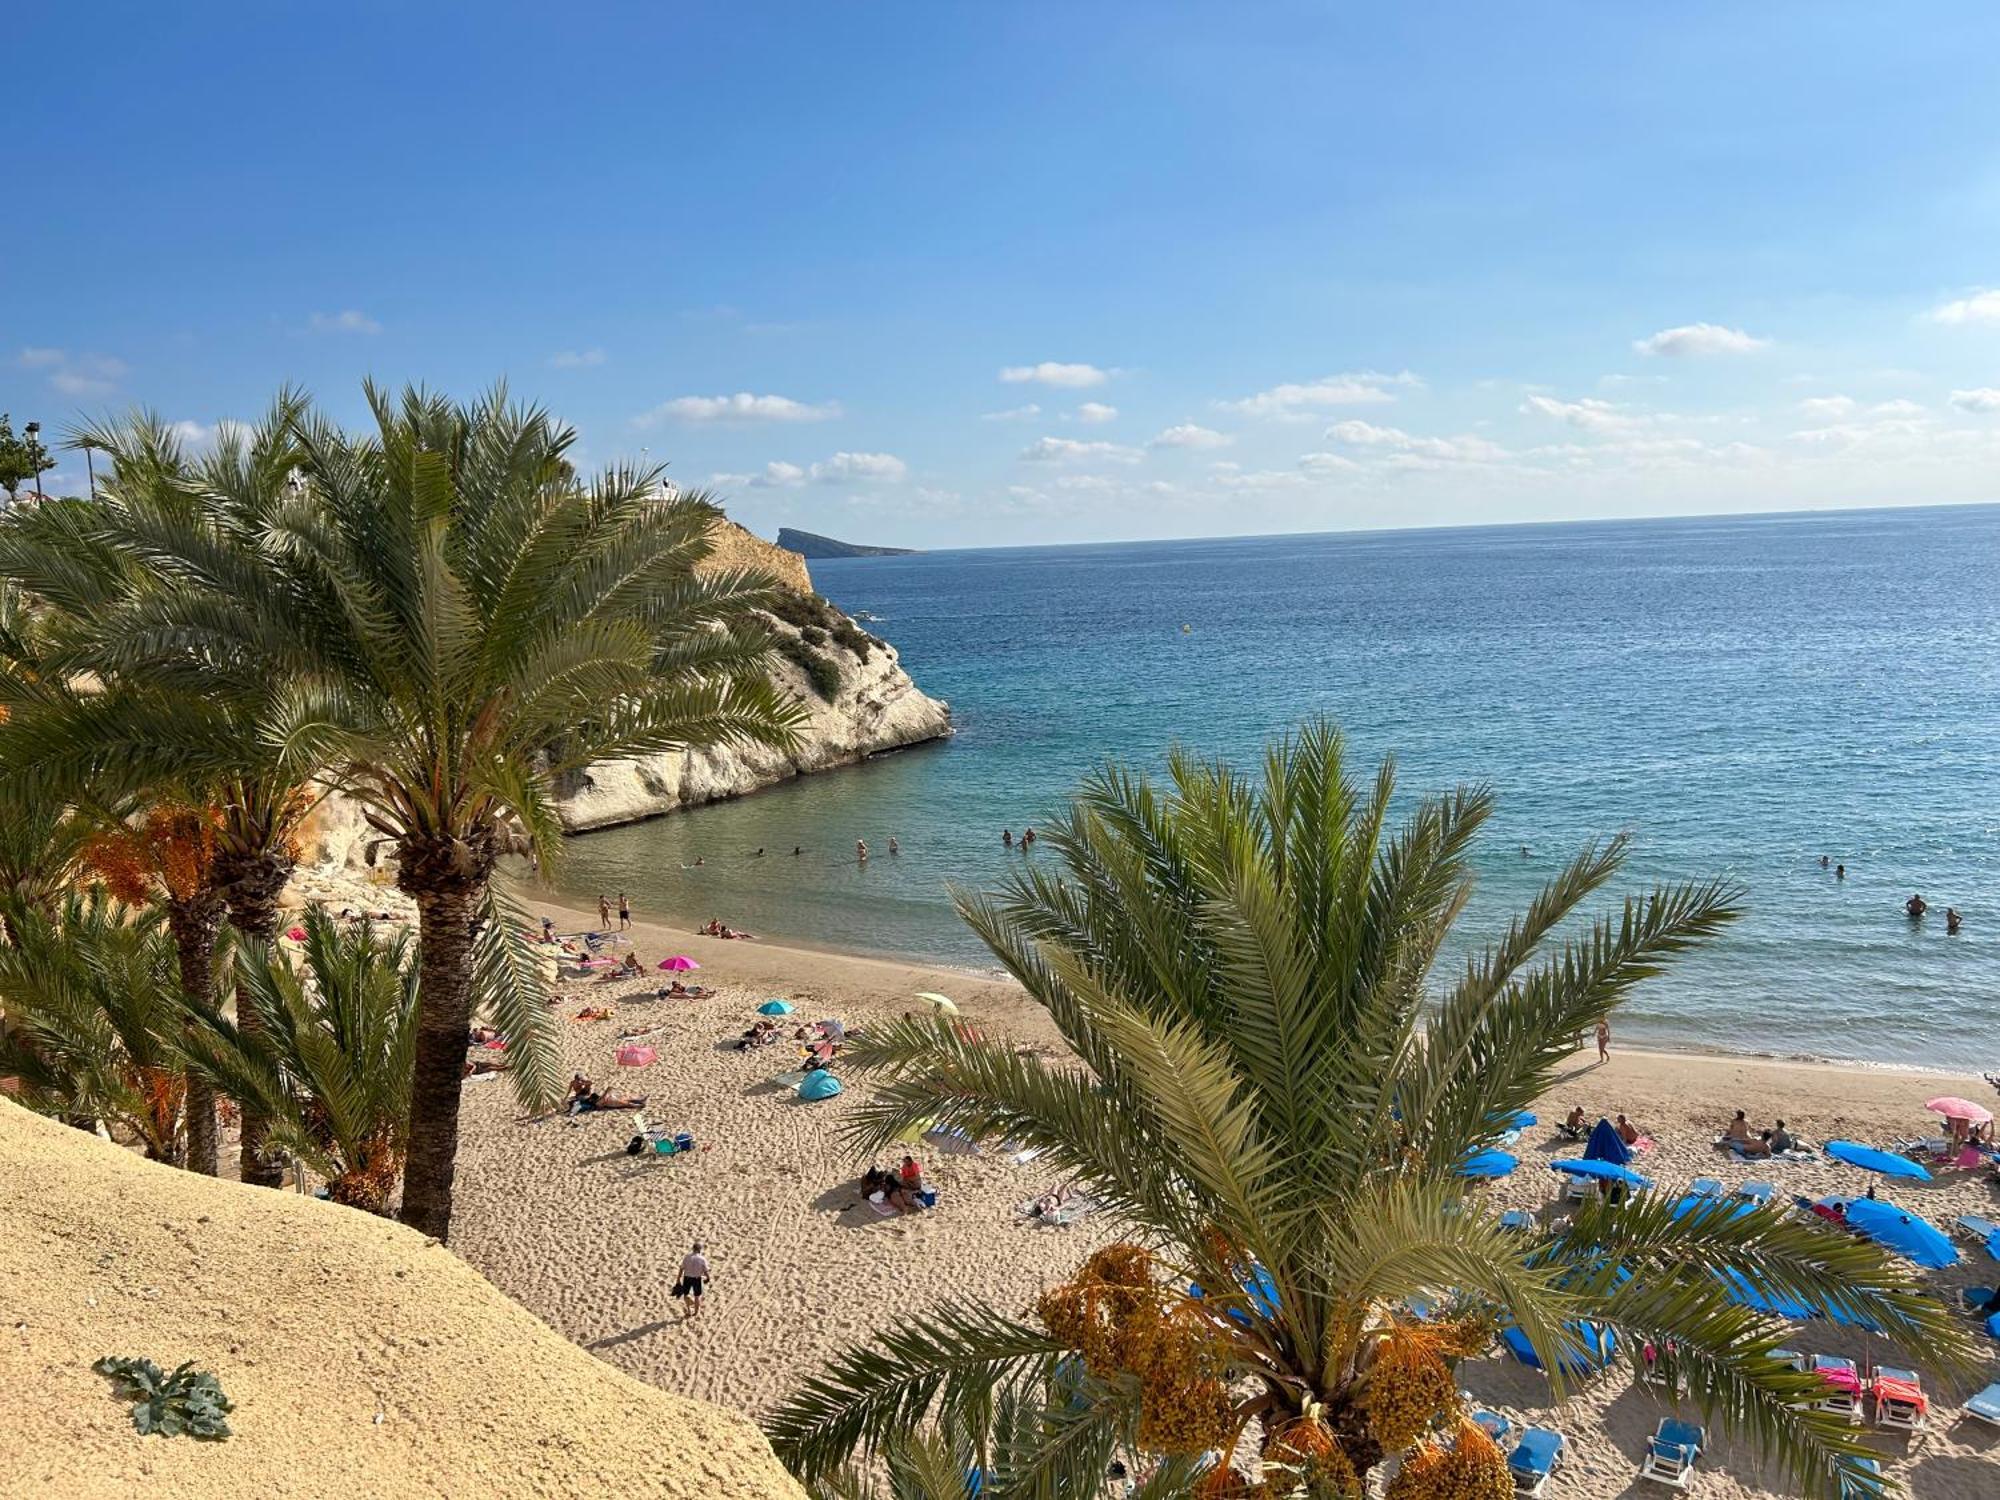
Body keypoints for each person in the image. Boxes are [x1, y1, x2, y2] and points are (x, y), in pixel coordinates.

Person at [673, 1241, 710, 1321]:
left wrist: (678, 1279)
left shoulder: (687, 1257)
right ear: (700, 1250)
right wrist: (708, 1278)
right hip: (697, 1279)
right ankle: (696, 1312)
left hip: (687, 1278)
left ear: (693, 1248)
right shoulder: (702, 1259)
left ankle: (689, 1311)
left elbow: (681, 1268)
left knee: (686, 1295)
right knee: (697, 1296)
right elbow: (706, 1271)